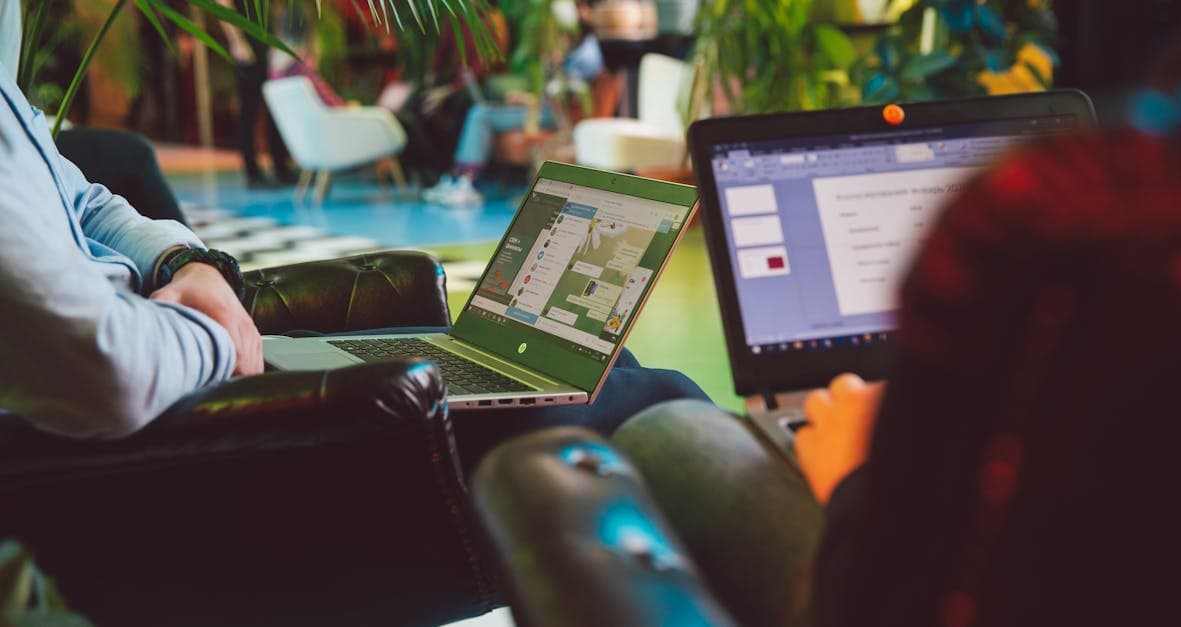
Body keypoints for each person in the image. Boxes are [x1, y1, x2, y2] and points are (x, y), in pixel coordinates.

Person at [0, 2, 706, 443]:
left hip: (164, 346)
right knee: (655, 401)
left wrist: (185, 264)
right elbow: (102, 369)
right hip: (157, 426)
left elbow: (79, 193)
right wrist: (218, 329)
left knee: (605, 371)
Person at [423, 0, 607, 207]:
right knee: (479, 111)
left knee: (481, 113)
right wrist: (529, 96)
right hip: (544, 107)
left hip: (554, 114)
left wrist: (533, 98)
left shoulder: (589, 53)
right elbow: (555, 90)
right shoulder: (575, 47)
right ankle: (461, 179)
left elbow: (568, 98)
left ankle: (466, 181)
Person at [216, 0, 296, 188]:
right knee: (249, 110)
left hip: (266, 42)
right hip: (247, 44)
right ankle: (252, 172)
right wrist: (237, 41)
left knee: (274, 108)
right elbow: (222, 5)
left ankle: (280, 166)